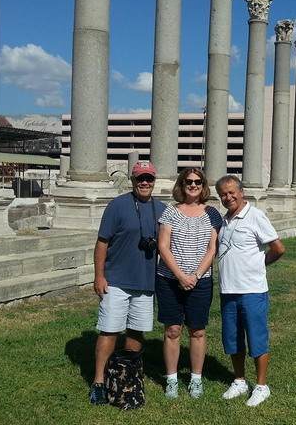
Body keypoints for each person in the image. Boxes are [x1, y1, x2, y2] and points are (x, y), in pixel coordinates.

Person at [89, 161, 167, 405]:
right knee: (110, 330)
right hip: (117, 281)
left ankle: (127, 375)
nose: (144, 182)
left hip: (145, 282)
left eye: (149, 178)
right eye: (140, 178)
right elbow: (102, 242)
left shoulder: (162, 209)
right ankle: (99, 381)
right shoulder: (117, 205)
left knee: (136, 331)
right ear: (132, 180)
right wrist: (99, 276)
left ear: (154, 182)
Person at [214, 175, 285, 407]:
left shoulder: (255, 216)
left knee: (256, 339)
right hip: (228, 290)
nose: (228, 197)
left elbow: (278, 248)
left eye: (232, 192)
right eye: (223, 194)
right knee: (233, 339)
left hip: (252, 291)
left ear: (242, 192)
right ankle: (240, 380)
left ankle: (262, 386)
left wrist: (261, 264)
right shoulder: (224, 220)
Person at [156, 167, 222, 398]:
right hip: (169, 279)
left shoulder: (212, 213)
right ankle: (172, 379)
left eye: (197, 182)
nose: (193, 185)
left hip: (200, 281)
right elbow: (163, 247)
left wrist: (195, 276)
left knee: (197, 331)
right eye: (188, 181)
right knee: (172, 330)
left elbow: (212, 248)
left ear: (204, 186)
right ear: (181, 185)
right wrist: (180, 276)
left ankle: (196, 379)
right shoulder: (170, 212)